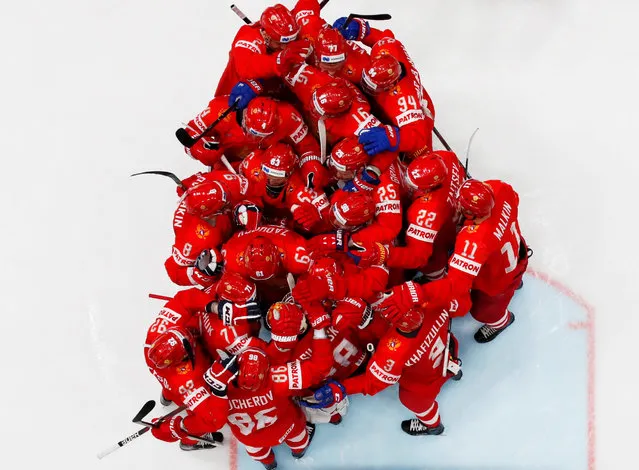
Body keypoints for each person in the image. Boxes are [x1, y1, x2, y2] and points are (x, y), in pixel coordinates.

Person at [378, 179, 530, 343]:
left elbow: (456, 285)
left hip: (497, 280)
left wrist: (417, 293)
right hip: (516, 252)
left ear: (472, 213)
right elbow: (514, 198)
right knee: (506, 280)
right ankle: (515, 284)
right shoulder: (500, 190)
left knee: (484, 312)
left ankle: (501, 321)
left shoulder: (475, 240)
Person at [315, 299, 463, 436]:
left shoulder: (393, 349)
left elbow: (373, 382)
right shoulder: (426, 298)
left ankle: (433, 426)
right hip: (446, 349)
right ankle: (454, 369)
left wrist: (341, 387)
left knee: (412, 400)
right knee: (448, 349)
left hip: (423, 382)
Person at [224, 305, 334, 469]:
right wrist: (318, 331)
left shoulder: (219, 388)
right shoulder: (277, 378)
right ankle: (298, 452)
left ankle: (269, 464)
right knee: (298, 438)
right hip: (285, 427)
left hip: (250, 438)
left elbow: (207, 417)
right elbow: (321, 369)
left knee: (258, 452)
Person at [333, 19, 436, 158]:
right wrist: (361, 30)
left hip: (420, 115)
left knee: (418, 153)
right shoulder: (387, 49)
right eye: (366, 81)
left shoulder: (404, 103)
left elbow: (419, 137)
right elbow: (384, 37)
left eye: (372, 88)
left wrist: (393, 138)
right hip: (392, 93)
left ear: (390, 85)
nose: (366, 87)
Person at [145, 325, 228, 450]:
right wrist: (179, 426)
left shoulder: (150, 347)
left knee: (168, 387)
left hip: (169, 383)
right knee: (198, 423)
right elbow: (212, 420)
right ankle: (190, 442)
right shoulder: (188, 382)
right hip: (183, 389)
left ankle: (166, 398)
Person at [386, 151, 466, 280]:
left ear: (429, 189)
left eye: (413, 185)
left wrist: (385, 254)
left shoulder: (426, 212)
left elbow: (418, 257)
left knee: (433, 267)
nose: (407, 184)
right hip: (456, 216)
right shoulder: (446, 157)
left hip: (440, 239)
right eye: (407, 177)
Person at [216, 4, 311, 97]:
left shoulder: (286, 28)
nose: (284, 47)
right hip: (238, 96)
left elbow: (305, 6)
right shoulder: (248, 37)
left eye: (290, 41)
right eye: (279, 43)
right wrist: (279, 59)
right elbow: (245, 66)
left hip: (277, 94)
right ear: (266, 35)